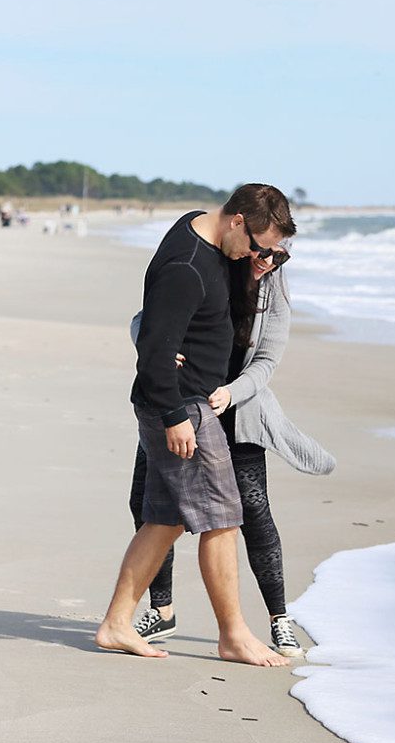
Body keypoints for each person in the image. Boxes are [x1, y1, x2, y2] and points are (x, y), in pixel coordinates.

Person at [95, 184, 296, 666]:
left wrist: (253, 272)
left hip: (184, 404)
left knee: (165, 520)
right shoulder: (185, 267)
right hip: (184, 408)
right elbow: (154, 350)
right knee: (224, 519)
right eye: (257, 244)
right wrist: (174, 418)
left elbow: (212, 318)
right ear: (237, 222)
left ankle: (116, 624)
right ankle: (234, 635)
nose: (259, 254)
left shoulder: (201, 233)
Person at [129, 247, 336, 656]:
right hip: (178, 404)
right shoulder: (209, 269)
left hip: (236, 410)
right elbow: (143, 322)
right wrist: (156, 348)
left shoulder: (273, 288)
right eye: (264, 252)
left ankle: (279, 619)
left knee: (253, 514)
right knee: (147, 505)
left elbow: (266, 360)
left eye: (281, 256)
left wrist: (230, 392)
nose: (269, 262)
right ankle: (162, 609)